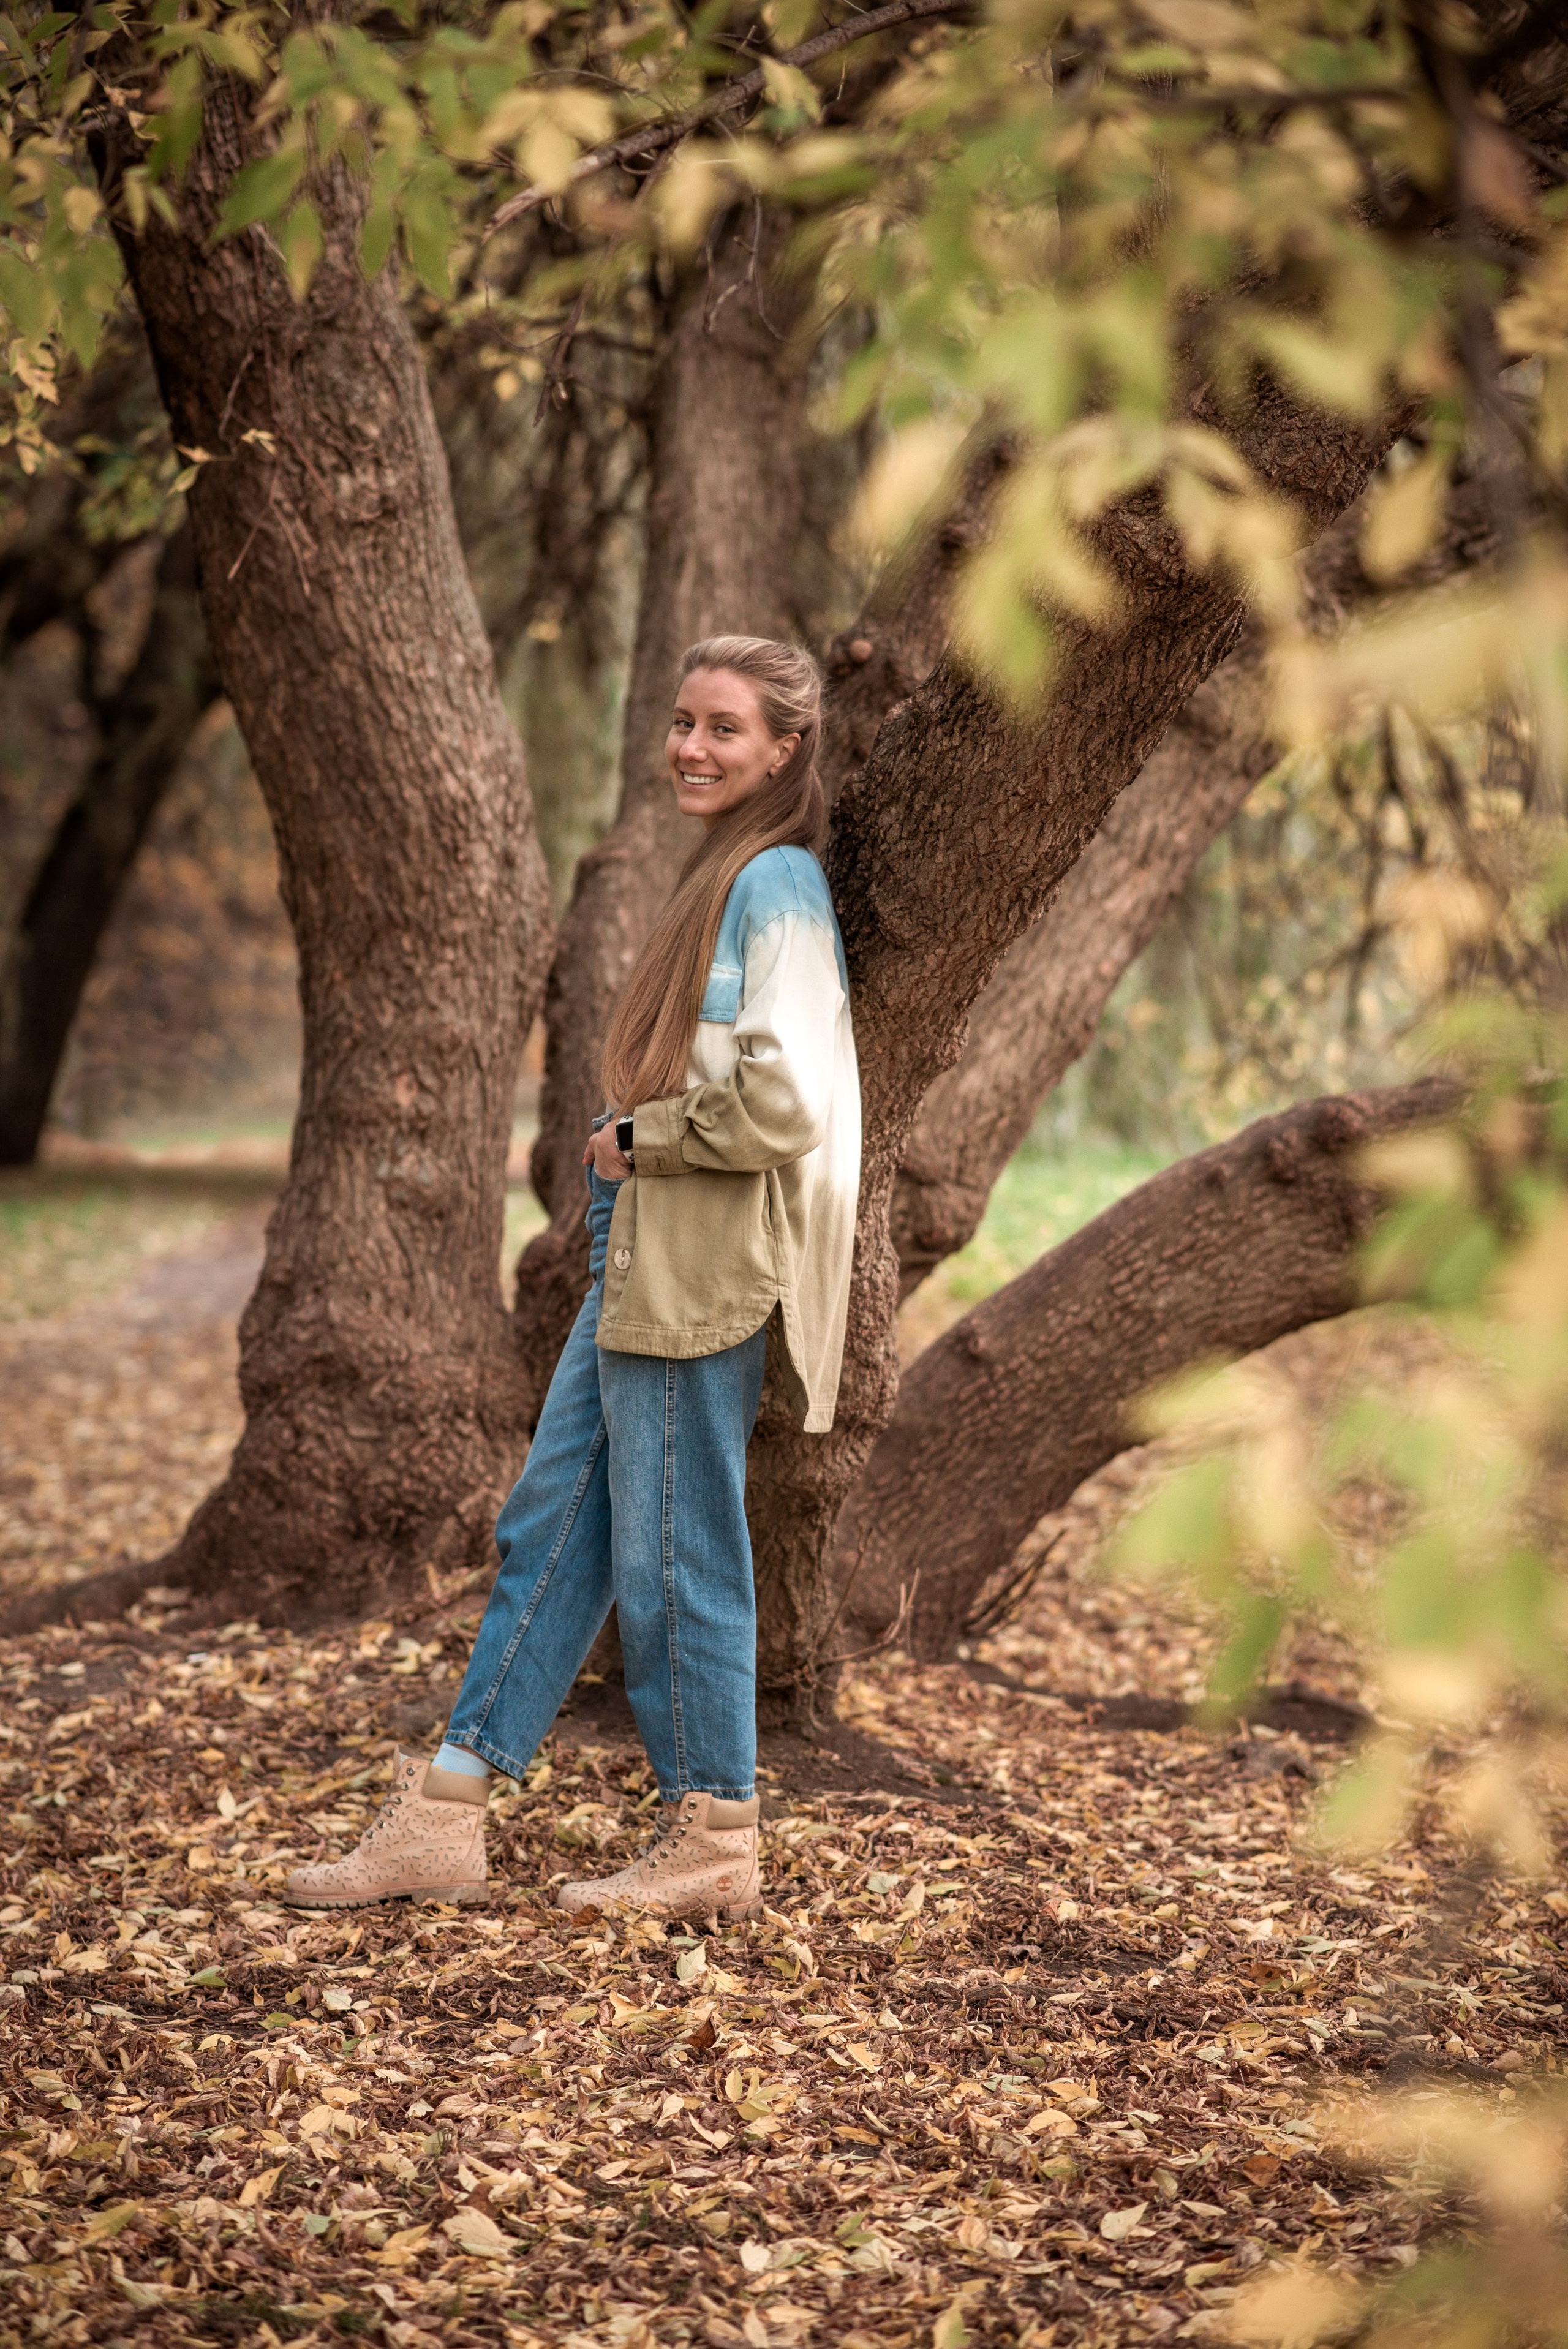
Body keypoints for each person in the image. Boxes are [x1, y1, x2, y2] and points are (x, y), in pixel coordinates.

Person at [285, 635, 861, 1921]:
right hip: (644, 1248)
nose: (691, 747)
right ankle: (445, 1813)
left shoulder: (777, 885)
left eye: (724, 729)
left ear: (785, 750)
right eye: (683, 722)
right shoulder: (723, 875)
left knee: (678, 1549)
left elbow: (785, 1103)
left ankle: (714, 1831)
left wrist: (642, 1139)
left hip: (702, 1259)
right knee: (551, 1527)